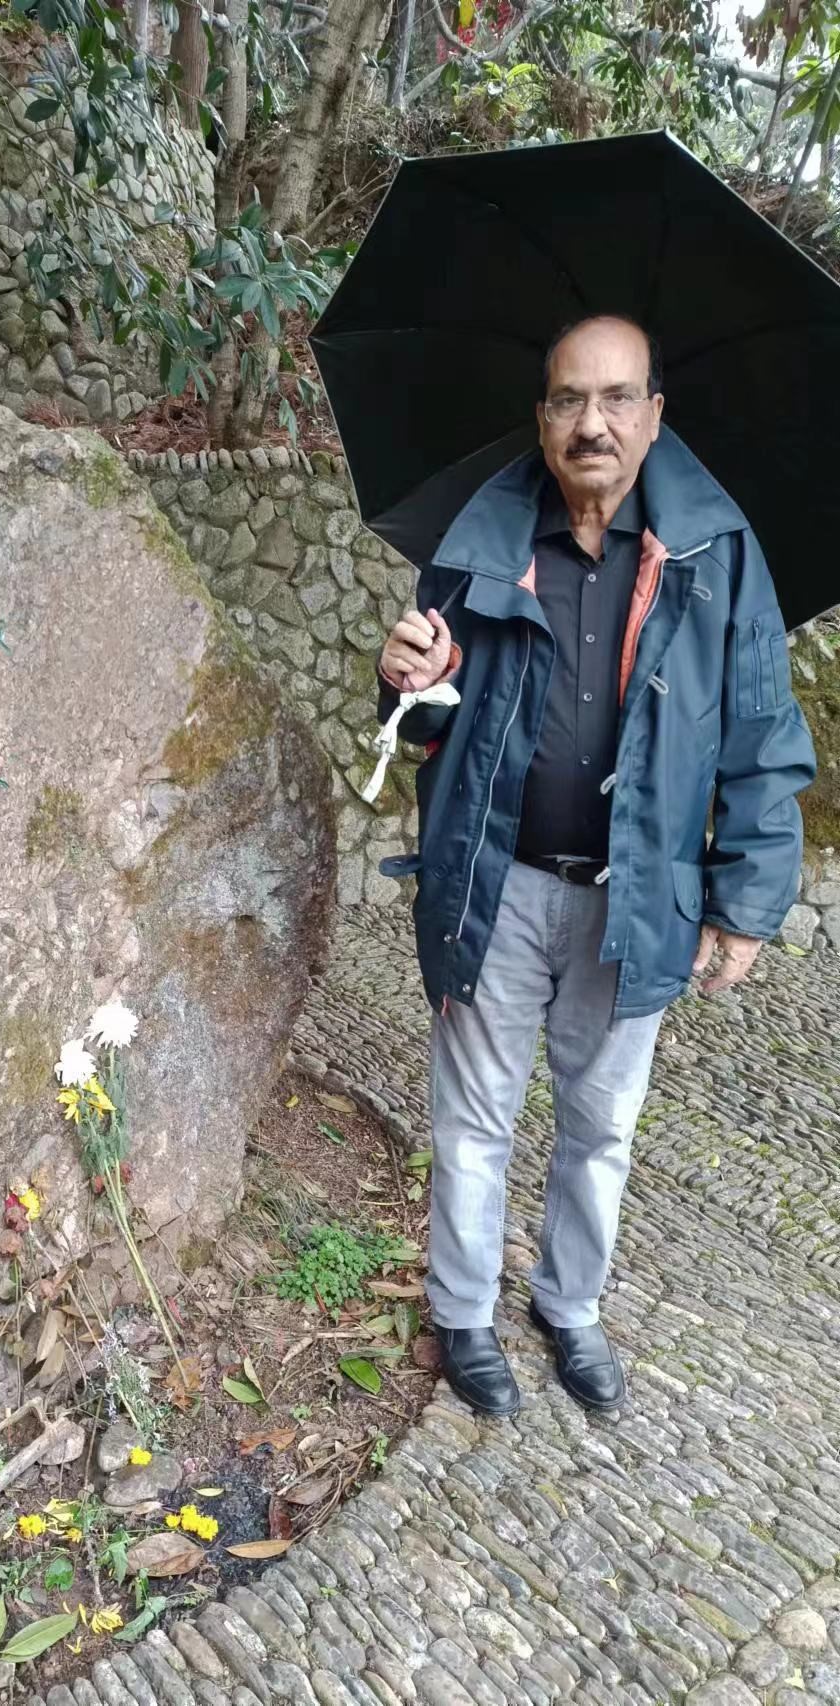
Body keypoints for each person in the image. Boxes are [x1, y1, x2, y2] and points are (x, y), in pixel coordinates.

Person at [375, 314, 816, 1418]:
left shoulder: (718, 556)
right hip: (496, 881)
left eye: (616, 398)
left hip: (638, 896)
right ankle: (463, 1312)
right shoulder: (480, 545)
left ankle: (568, 1307)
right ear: (540, 416)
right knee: (473, 1117)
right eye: (569, 399)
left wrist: (747, 902)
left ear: (654, 416)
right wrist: (402, 681)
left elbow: (762, 735)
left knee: (600, 1125)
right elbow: (423, 727)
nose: (591, 423)